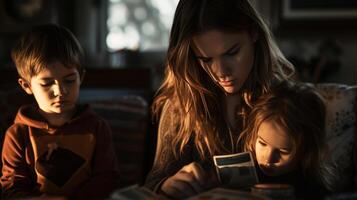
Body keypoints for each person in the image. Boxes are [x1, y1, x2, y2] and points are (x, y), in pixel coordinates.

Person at [145, 0, 295, 199]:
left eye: (232, 53)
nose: (221, 72)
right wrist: (167, 186)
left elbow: (310, 180)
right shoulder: (181, 105)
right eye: (206, 59)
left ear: (254, 33)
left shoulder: (283, 100)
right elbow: (153, 183)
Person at [0, 24, 119, 199]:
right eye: (47, 83)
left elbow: (107, 178)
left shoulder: (97, 128)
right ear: (26, 86)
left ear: (81, 78)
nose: (60, 91)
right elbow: (11, 188)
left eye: (69, 80)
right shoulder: (18, 134)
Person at [238, 82, 334, 199]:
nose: (269, 159)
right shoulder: (243, 172)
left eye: (283, 151)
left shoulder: (312, 188)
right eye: (262, 143)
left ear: (306, 150)